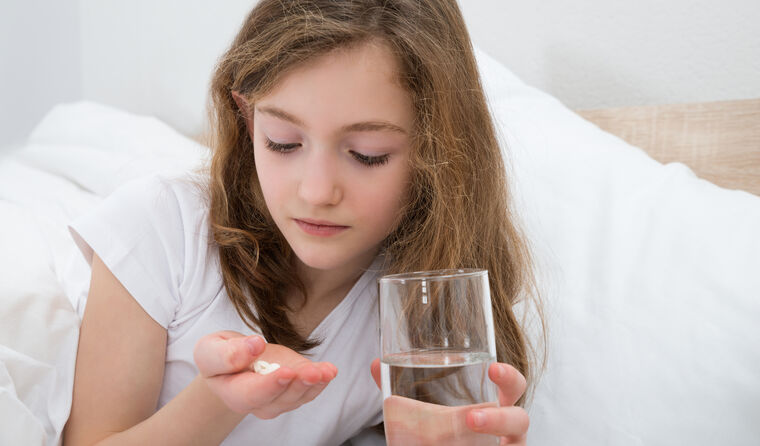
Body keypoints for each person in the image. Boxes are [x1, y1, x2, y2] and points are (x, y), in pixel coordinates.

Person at [62, 0, 545, 444]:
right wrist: (221, 399)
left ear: (437, 151)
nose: (316, 192)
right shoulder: (162, 228)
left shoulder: (429, 301)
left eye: (367, 155)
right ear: (247, 119)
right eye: (283, 143)